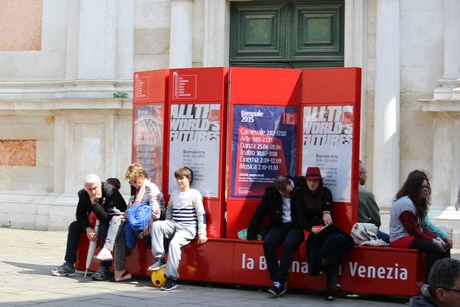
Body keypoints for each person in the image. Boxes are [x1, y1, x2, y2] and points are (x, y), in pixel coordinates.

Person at [93, 164, 165, 282]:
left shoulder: (152, 189)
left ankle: (108, 252)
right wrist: (127, 214)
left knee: (118, 222)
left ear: (141, 176)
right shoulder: (135, 191)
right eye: (130, 182)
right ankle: (118, 270)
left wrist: (137, 212)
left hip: (149, 223)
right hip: (136, 222)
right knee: (117, 222)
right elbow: (130, 208)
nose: (132, 185)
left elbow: (156, 213)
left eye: (134, 181)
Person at [50, 174, 127, 280]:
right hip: (92, 222)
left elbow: (107, 218)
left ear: (100, 185)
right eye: (89, 189)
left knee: (104, 228)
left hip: (110, 223)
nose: (93, 192)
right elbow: (80, 215)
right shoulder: (83, 194)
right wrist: (87, 228)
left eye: (95, 188)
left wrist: (94, 203)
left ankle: (104, 268)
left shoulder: (111, 192)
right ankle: (69, 264)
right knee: (74, 226)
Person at [294, 166, 354, 301]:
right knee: (324, 248)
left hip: (324, 228)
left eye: (315, 181)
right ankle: (330, 287)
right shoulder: (299, 197)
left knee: (334, 244)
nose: (312, 183)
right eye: (309, 180)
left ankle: (330, 287)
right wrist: (312, 229)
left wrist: (326, 213)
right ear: (306, 181)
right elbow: (301, 219)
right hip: (310, 229)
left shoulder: (326, 192)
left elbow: (328, 211)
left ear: (320, 181)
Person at [149, 166, 207, 291]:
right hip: (174, 225)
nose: (179, 181)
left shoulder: (194, 194)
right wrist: (169, 223)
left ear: (189, 179)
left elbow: (201, 214)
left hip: (188, 228)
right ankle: (159, 258)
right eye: (177, 179)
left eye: (182, 179)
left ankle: (171, 279)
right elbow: (169, 210)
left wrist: (202, 232)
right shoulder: (175, 193)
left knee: (174, 244)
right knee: (157, 225)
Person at [247, 175, 305, 297]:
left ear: (290, 183)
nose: (287, 196)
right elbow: (261, 211)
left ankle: (279, 280)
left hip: (298, 225)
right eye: (284, 194)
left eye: (289, 192)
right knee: (268, 243)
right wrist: (251, 232)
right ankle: (278, 281)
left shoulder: (302, 185)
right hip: (282, 224)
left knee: (289, 243)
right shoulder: (271, 192)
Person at [389, 170, 450, 285]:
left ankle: (443, 282)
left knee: (444, 245)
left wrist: (437, 238)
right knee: (435, 249)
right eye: (423, 187)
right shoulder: (406, 204)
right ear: (415, 188)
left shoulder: (416, 203)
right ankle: (427, 285)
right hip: (400, 238)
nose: (426, 190)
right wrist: (433, 241)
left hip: (410, 236)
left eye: (427, 187)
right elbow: (412, 230)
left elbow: (421, 229)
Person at [358, 160, 389, 242]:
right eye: (365, 173)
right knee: (390, 239)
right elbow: (377, 220)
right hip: (365, 232)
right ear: (360, 174)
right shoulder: (367, 194)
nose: (367, 176)